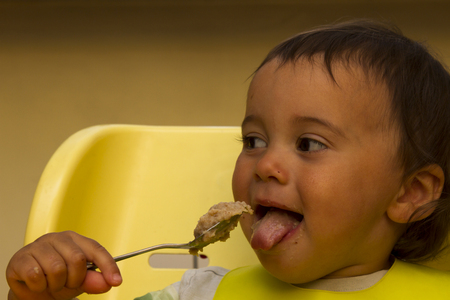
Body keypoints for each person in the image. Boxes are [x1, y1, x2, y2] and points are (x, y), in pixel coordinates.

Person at [6, 19, 450, 300]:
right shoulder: (200, 292)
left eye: (309, 145)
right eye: (254, 140)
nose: (264, 164)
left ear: (409, 192)